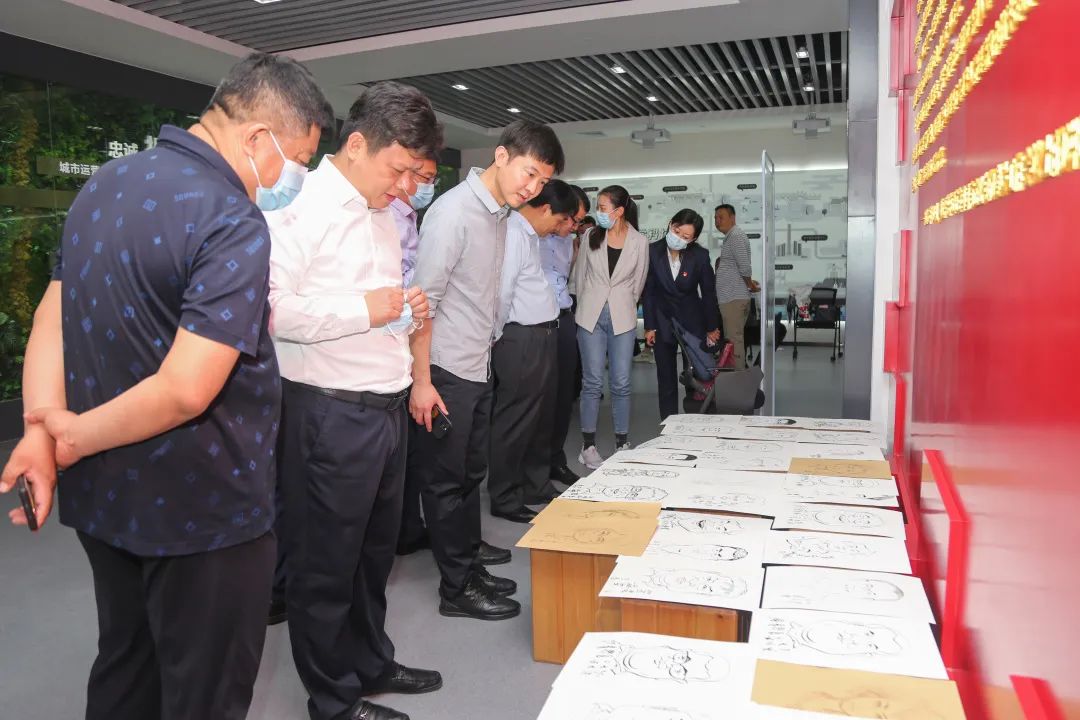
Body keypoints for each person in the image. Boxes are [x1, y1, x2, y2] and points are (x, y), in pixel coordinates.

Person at [0, 54, 331, 720]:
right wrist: (70, 438)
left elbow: (50, 319)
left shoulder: (104, 184)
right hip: (203, 509)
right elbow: (186, 390)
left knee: (126, 669)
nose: (291, 179)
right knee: (203, 693)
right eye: (298, 161)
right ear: (257, 137)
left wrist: (41, 428)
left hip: (108, 500)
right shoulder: (231, 218)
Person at [266, 82, 443, 720]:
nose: (406, 187)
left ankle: (370, 662)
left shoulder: (382, 213)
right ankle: (334, 701)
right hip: (327, 412)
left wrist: (403, 314)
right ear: (359, 144)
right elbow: (272, 310)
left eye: (415, 176)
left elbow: (381, 308)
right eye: (400, 170)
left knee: (373, 555)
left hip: (384, 407)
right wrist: (363, 310)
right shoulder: (298, 206)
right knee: (324, 565)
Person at [407, 119, 564, 620]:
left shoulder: (499, 215)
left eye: (542, 181)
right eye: (530, 173)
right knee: (446, 482)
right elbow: (423, 303)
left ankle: (467, 565)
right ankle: (455, 589)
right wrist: (422, 381)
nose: (533, 188)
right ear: (501, 156)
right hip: (446, 368)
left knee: (469, 475)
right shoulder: (454, 212)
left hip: (478, 362)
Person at [489, 180, 584, 523]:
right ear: (545, 209)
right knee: (515, 421)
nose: (560, 229)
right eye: (559, 221)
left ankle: (535, 485)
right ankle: (504, 495)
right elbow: (501, 292)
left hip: (542, 333)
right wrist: (497, 335)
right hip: (520, 336)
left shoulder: (529, 234)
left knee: (540, 418)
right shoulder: (514, 233)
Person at [571, 185, 649, 469]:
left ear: (619, 211)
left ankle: (622, 442)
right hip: (590, 317)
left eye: (602, 208)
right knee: (592, 382)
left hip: (622, 317)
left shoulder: (639, 242)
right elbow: (580, 278)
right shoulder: (591, 235)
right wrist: (585, 307)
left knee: (621, 382)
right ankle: (588, 446)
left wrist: (623, 304)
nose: (598, 212)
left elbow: (638, 283)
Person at [393, 155, 439, 557]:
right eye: (422, 176)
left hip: (408, 342)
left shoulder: (409, 217)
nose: (426, 186)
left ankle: (407, 527)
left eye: (431, 179)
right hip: (388, 342)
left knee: (408, 452)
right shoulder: (386, 214)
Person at [642, 209, 720, 420]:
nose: (678, 238)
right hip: (662, 320)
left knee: (695, 375)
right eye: (676, 231)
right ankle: (668, 423)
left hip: (692, 321)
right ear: (670, 224)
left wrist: (712, 327)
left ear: (693, 239)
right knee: (665, 377)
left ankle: (693, 421)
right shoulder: (652, 251)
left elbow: (708, 293)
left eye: (685, 236)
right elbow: (649, 292)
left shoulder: (700, 256)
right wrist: (649, 326)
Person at [542, 186, 589, 485]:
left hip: (564, 317)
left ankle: (555, 461)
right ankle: (533, 469)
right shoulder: (529, 235)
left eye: (579, 221)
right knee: (539, 400)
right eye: (572, 219)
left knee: (563, 398)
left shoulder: (568, 242)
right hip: (535, 323)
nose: (574, 226)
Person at [713, 203, 759, 369]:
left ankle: (737, 377)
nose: (717, 221)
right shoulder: (731, 237)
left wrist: (750, 284)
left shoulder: (736, 236)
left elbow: (744, 266)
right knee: (732, 339)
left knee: (734, 341)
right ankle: (735, 375)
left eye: (721, 217)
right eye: (715, 218)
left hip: (734, 298)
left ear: (732, 218)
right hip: (730, 298)